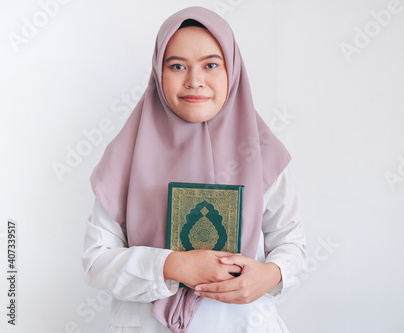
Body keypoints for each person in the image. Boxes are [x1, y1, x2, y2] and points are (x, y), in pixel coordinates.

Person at [82, 6, 306, 333]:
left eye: (211, 65)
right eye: (177, 66)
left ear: (233, 71)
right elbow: (97, 262)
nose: (195, 81)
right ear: (159, 73)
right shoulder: (126, 155)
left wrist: (270, 275)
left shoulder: (259, 151)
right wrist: (171, 266)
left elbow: (293, 244)